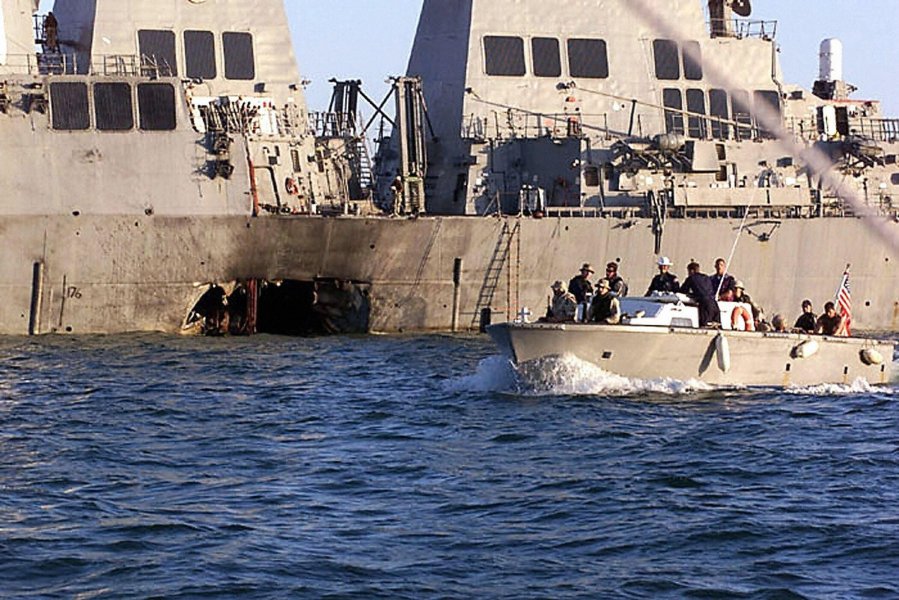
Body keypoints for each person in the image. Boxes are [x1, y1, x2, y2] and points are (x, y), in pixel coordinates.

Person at [680, 262, 721, 327]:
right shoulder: (706, 277)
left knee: (704, 327)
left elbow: (683, 290)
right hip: (715, 305)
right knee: (716, 327)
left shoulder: (691, 278)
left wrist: (691, 294)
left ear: (691, 270)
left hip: (704, 305)